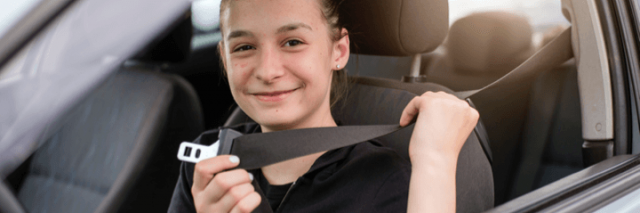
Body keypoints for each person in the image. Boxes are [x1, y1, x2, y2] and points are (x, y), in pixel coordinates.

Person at [168, 0, 479, 212]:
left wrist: (435, 159)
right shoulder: (209, 161)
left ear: (338, 51)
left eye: (292, 42)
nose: (267, 70)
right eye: (244, 47)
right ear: (224, 59)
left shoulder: (379, 182)